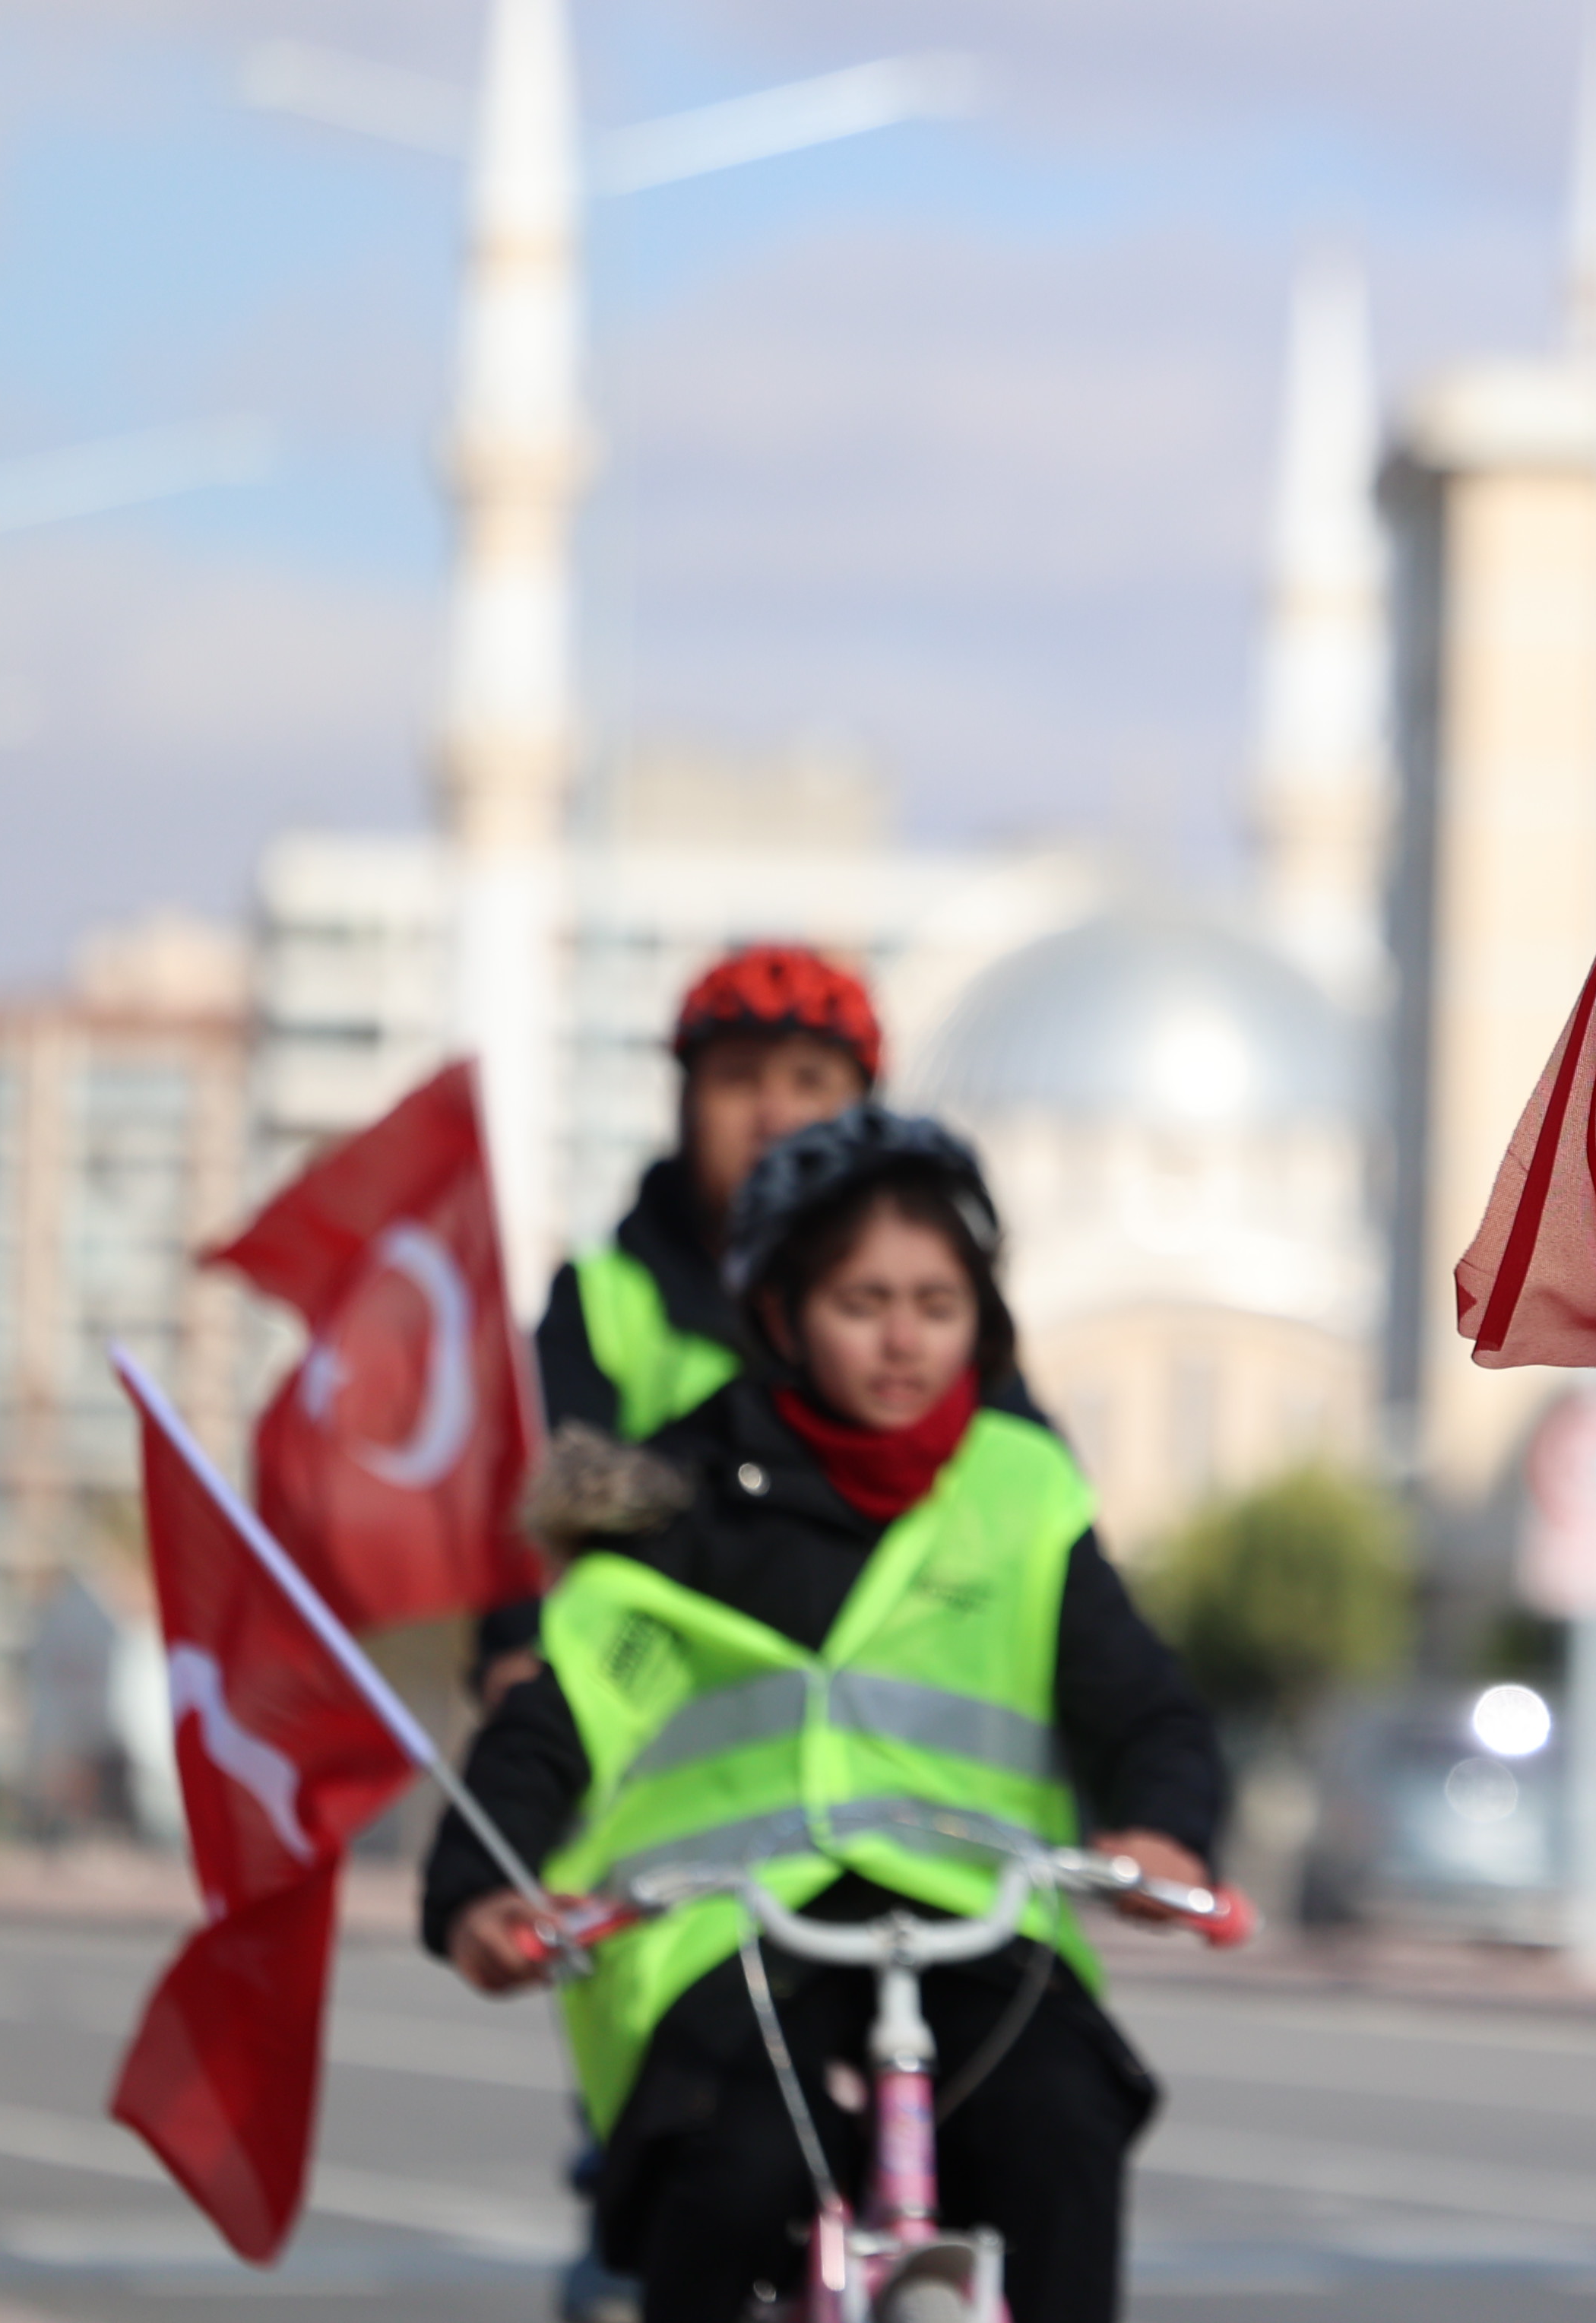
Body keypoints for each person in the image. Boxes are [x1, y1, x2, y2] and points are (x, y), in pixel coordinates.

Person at [427, 1106, 1223, 2323]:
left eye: (938, 1305)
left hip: (973, 1930)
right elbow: (552, 1723)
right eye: (863, 1303)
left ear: (985, 1323)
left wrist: (1163, 1832)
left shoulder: (1023, 1495)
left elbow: (1147, 1710)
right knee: (737, 2169)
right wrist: (481, 1894)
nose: (904, 1343)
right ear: (781, 1313)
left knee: (1064, 2123)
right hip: (733, 1945)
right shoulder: (668, 1510)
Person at [477, 943, 885, 2323]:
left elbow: (1020, 1522)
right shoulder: (609, 1302)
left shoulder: (917, 1303)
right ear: (683, 1100)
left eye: (811, 1085)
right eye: (740, 1083)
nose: (775, 1115)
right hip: (672, 1812)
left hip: (889, 1810)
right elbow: (554, 1521)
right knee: (685, 2159)